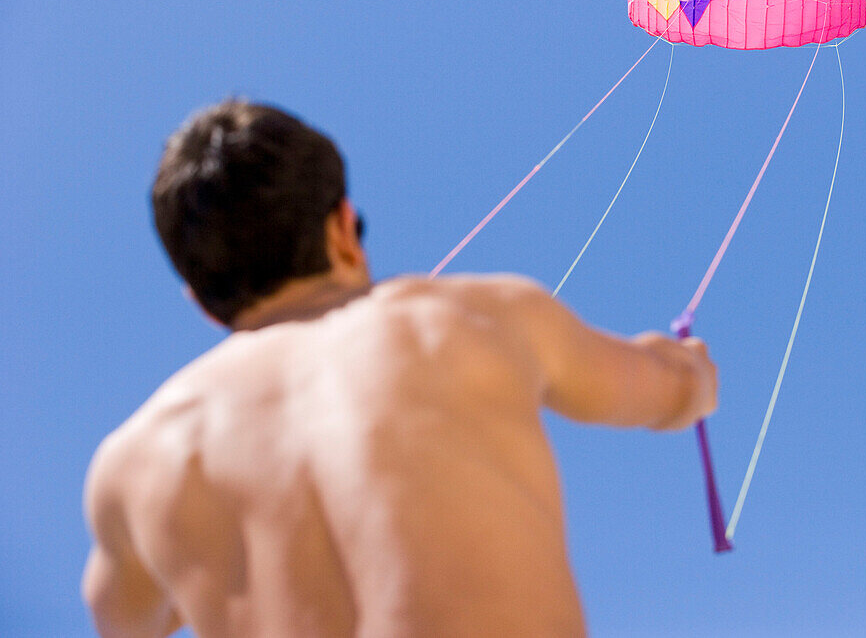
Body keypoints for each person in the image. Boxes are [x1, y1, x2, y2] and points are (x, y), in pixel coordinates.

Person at [81, 99, 718, 637]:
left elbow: (120, 617)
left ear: (200, 300)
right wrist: (690, 373)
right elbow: (663, 390)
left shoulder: (132, 464)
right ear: (342, 231)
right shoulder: (481, 315)